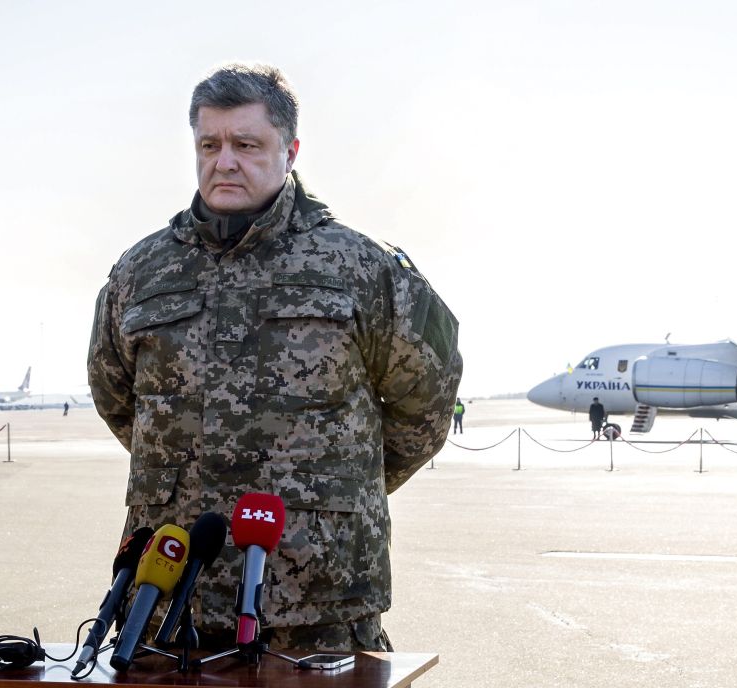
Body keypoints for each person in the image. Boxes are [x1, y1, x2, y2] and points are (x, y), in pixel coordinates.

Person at [87, 63, 462, 653]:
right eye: (209, 145)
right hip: (170, 597)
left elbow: (427, 408)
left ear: (289, 151)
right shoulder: (141, 272)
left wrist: (328, 492)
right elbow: (116, 399)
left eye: (246, 144)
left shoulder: (362, 268)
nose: (224, 162)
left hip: (317, 601)